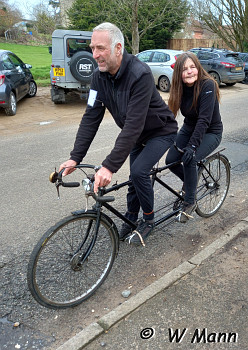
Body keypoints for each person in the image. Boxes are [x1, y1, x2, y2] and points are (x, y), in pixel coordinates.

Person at [59, 22, 178, 245]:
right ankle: (131, 218)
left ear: (118, 48)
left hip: (160, 131)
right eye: (92, 48)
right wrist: (75, 157)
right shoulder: (98, 77)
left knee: (140, 172)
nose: (94, 54)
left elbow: (133, 124)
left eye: (100, 48)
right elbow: (90, 118)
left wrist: (109, 166)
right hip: (137, 134)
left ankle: (149, 220)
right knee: (134, 178)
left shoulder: (139, 74)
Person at [165, 51, 223, 223]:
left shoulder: (208, 85)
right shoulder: (179, 88)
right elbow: (170, 115)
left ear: (198, 68)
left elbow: (204, 120)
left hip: (211, 131)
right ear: (179, 74)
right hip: (190, 128)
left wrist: (192, 147)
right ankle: (191, 183)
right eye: (184, 69)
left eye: (192, 67)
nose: (189, 71)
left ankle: (190, 200)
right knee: (171, 160)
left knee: (189, 159)